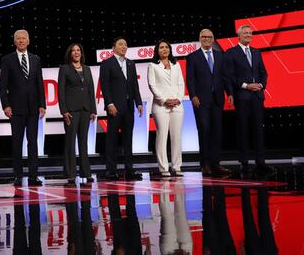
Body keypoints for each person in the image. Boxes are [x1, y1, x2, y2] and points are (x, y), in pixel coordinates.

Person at [224, 25, 274, 176]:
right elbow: (230, 75)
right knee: (243, 130)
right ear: (238, 36)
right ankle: (244, 162)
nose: (248, 35)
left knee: (258, 129)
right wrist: (246, 85)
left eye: (250, 33)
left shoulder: (256, 52)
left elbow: (263, 72)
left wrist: (261, 85)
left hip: (257, 96)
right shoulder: (231, 53)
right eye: (245, 33)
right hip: (242, 96)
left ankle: (261, 162)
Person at [0, 29, 46, 186]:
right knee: (17, 142)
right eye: (18, 39)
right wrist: (6, 105)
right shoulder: (7, 60)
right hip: (16, 109)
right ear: (14, 42)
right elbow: (3, 85)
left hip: (33, 108)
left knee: (33, 142)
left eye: (23, 38)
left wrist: (42, 104)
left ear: (28, 41)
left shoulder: (36, 59)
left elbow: (39, 83)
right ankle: (18, 175)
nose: (21, 41)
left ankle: (33, 176)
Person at [186, 29, 231, 177]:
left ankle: (216, 164)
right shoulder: (193, 57)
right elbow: (190, 79)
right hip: (201, 100)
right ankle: (205, 164)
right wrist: (193, 95)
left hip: (217, 99)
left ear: (213, 39)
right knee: (204, 130)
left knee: (217, 132)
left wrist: (229, 93)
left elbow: (225, 77)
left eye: (209, 37)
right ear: (200, 39)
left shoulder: (220, 56)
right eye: (204, 37)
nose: (207, 39)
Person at [98, 37, 143, 181]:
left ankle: (129, 170)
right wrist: (109, 104)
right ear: (114, 47)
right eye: (120, 44)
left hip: (129, 107)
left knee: (128, 139)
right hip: (114, 108)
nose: (124, 47)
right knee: (111, 139)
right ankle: (111, 171)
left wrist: (139, 103)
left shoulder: (131, 63)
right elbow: (104, 86)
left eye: (125, 44)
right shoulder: (107, 63)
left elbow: (134, 85)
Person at [57, 43, 97, 185]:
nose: (76, 52)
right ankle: (70, 173)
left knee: (84, 142)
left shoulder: (87, 69)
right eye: (73, 50)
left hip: (86, 109)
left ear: (81, 53)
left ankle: (86, 172)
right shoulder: (65, 69)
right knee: (70, 142)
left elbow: (91, 90)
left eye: (78, 50)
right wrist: (64, 111)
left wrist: (93, 110)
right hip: (71, 110)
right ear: (70, 53)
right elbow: (60, 91)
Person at [147, 39, 186, 178]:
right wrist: (164, 100)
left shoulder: (176, 65)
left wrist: (178, 99)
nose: (164, 49)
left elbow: (181, 83)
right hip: (161, 106)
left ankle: (177, 166)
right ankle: (164, 168)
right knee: (162, 136)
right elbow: (152, 85)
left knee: (176, 137)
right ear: (157, 51)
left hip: (177, 104)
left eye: (167, 47)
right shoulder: (153, 65)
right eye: (161, 47)